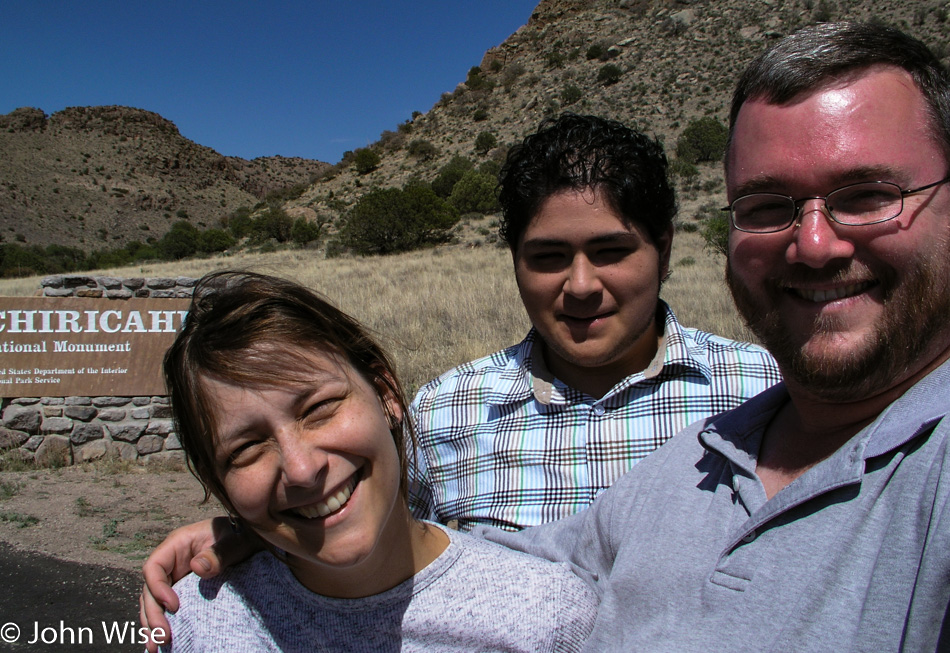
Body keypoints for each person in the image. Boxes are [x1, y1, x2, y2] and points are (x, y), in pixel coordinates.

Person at [139, 115, 781, 641]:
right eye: (548, 257)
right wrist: (249, 530)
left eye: (611, 251)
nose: (581, 286)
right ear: (515, 263)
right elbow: (364, 537)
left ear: (664, 248)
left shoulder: (764, 395)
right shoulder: (448, 408)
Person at [476, 21, 950, 650]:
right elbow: (490, 565)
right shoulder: (705, 456)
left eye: (867, 195)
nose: (812, 245)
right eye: (766, 206)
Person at [156, 271, 597, 652]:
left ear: (386, 393)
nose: (302, 470)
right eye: (246, 449)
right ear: (217, 483)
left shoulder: (547, 617)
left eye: (319, 409)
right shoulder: (194, 625)